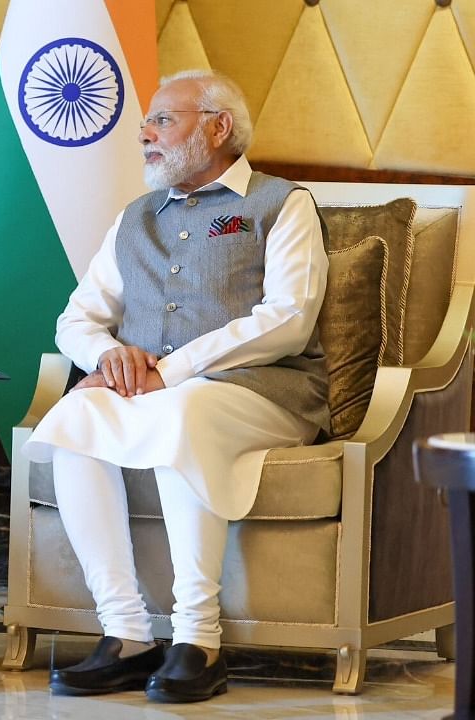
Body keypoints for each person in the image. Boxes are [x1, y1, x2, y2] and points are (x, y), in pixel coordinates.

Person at [22, 69, 329, 703]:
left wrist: (174, 369)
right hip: (160, 394)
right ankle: (128, 635)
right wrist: (109, 358)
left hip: (267, 393)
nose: (145, 134)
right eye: (148, 123)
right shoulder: (135, 217)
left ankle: (199, 640)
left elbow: (289, 320)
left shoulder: (282, 203)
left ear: (219, 127)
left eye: (164, 120)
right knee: (76, 421)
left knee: (184, 409)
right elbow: (77, 317)